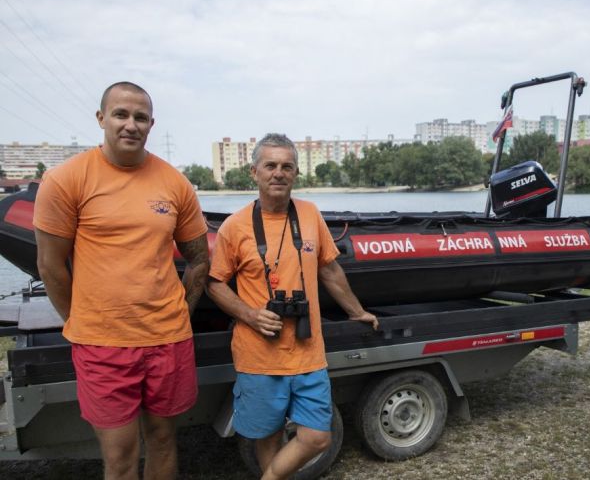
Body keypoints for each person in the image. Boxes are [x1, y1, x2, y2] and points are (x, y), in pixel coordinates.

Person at [33, 81, 209, 480]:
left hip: (168, 339)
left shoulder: (174, 182)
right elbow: (50, 266)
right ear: (101, 119)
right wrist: (80, 322)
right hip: (103, 344)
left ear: (151, 124)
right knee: (120, 456)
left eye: (140, 117)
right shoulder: (66, 180)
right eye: (121, 114)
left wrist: (182, 312)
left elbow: (199, 258)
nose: (131, 125)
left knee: (164, 440)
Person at [206, 133, 378, 480]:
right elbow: (213, 283)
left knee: (317, 436)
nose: (278, 173)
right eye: (270, 165)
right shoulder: (234, 226)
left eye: (287, 166)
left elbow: (329, 269)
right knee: (267, 436)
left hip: (307, 353)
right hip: (258, 354)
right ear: (254, 171)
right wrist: (250, 314)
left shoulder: (310, 214)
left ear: (296, 173)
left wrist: (356, 311)